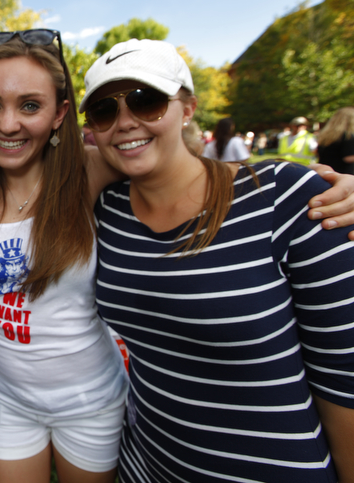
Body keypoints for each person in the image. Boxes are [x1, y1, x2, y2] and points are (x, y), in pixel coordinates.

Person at [82, 38, 354, 482]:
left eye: (147, 101)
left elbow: (343, 376)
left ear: (188, 108)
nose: (125, 121)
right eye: (104, 111)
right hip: (144, 465)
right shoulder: (107, 209)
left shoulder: (284, 198)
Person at [0, 29, 130, 483]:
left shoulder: (89, 170)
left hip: (91, 402)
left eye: (30, 106)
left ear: (59, 113)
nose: (8, 124)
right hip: (5, 401)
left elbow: (182, 172)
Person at [317, 107, 354, 174]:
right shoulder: (348, 136)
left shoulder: (326, 135)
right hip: (343, 174)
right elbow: (348, 158)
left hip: (325, 172)